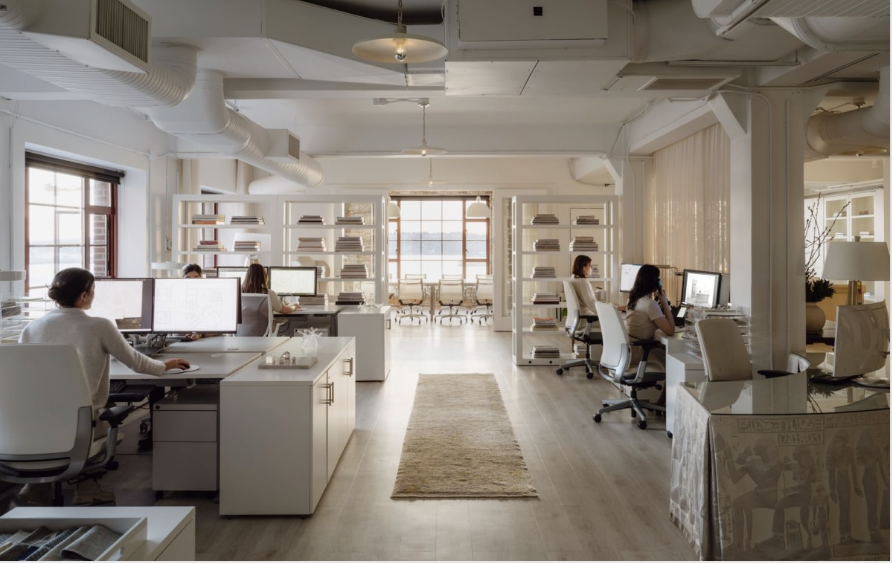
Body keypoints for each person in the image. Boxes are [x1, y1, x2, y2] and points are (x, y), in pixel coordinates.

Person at [17, 267, 190, 506]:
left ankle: (37, 487)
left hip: (34, 427)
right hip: (80, 426)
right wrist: (165, 365)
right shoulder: (99, 326)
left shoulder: (32, 328)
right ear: (84, 296)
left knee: (61, 423)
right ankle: (86, 487)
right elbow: (135, 362)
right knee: (102, 418)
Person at [625, 264, 675, 339]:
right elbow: (670, 331)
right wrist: (665, 303)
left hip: (632, 347)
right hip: (642, 349)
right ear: (655, 283)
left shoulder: (632, 299)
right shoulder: (650, 304)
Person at [181, 264, 205, 341]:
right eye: (188, 278)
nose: (192, 281)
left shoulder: (207, 297)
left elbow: (220, 330)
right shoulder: (178, 298)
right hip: (180, 340)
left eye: (196, 278)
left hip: (203, 341)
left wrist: (200, 334)